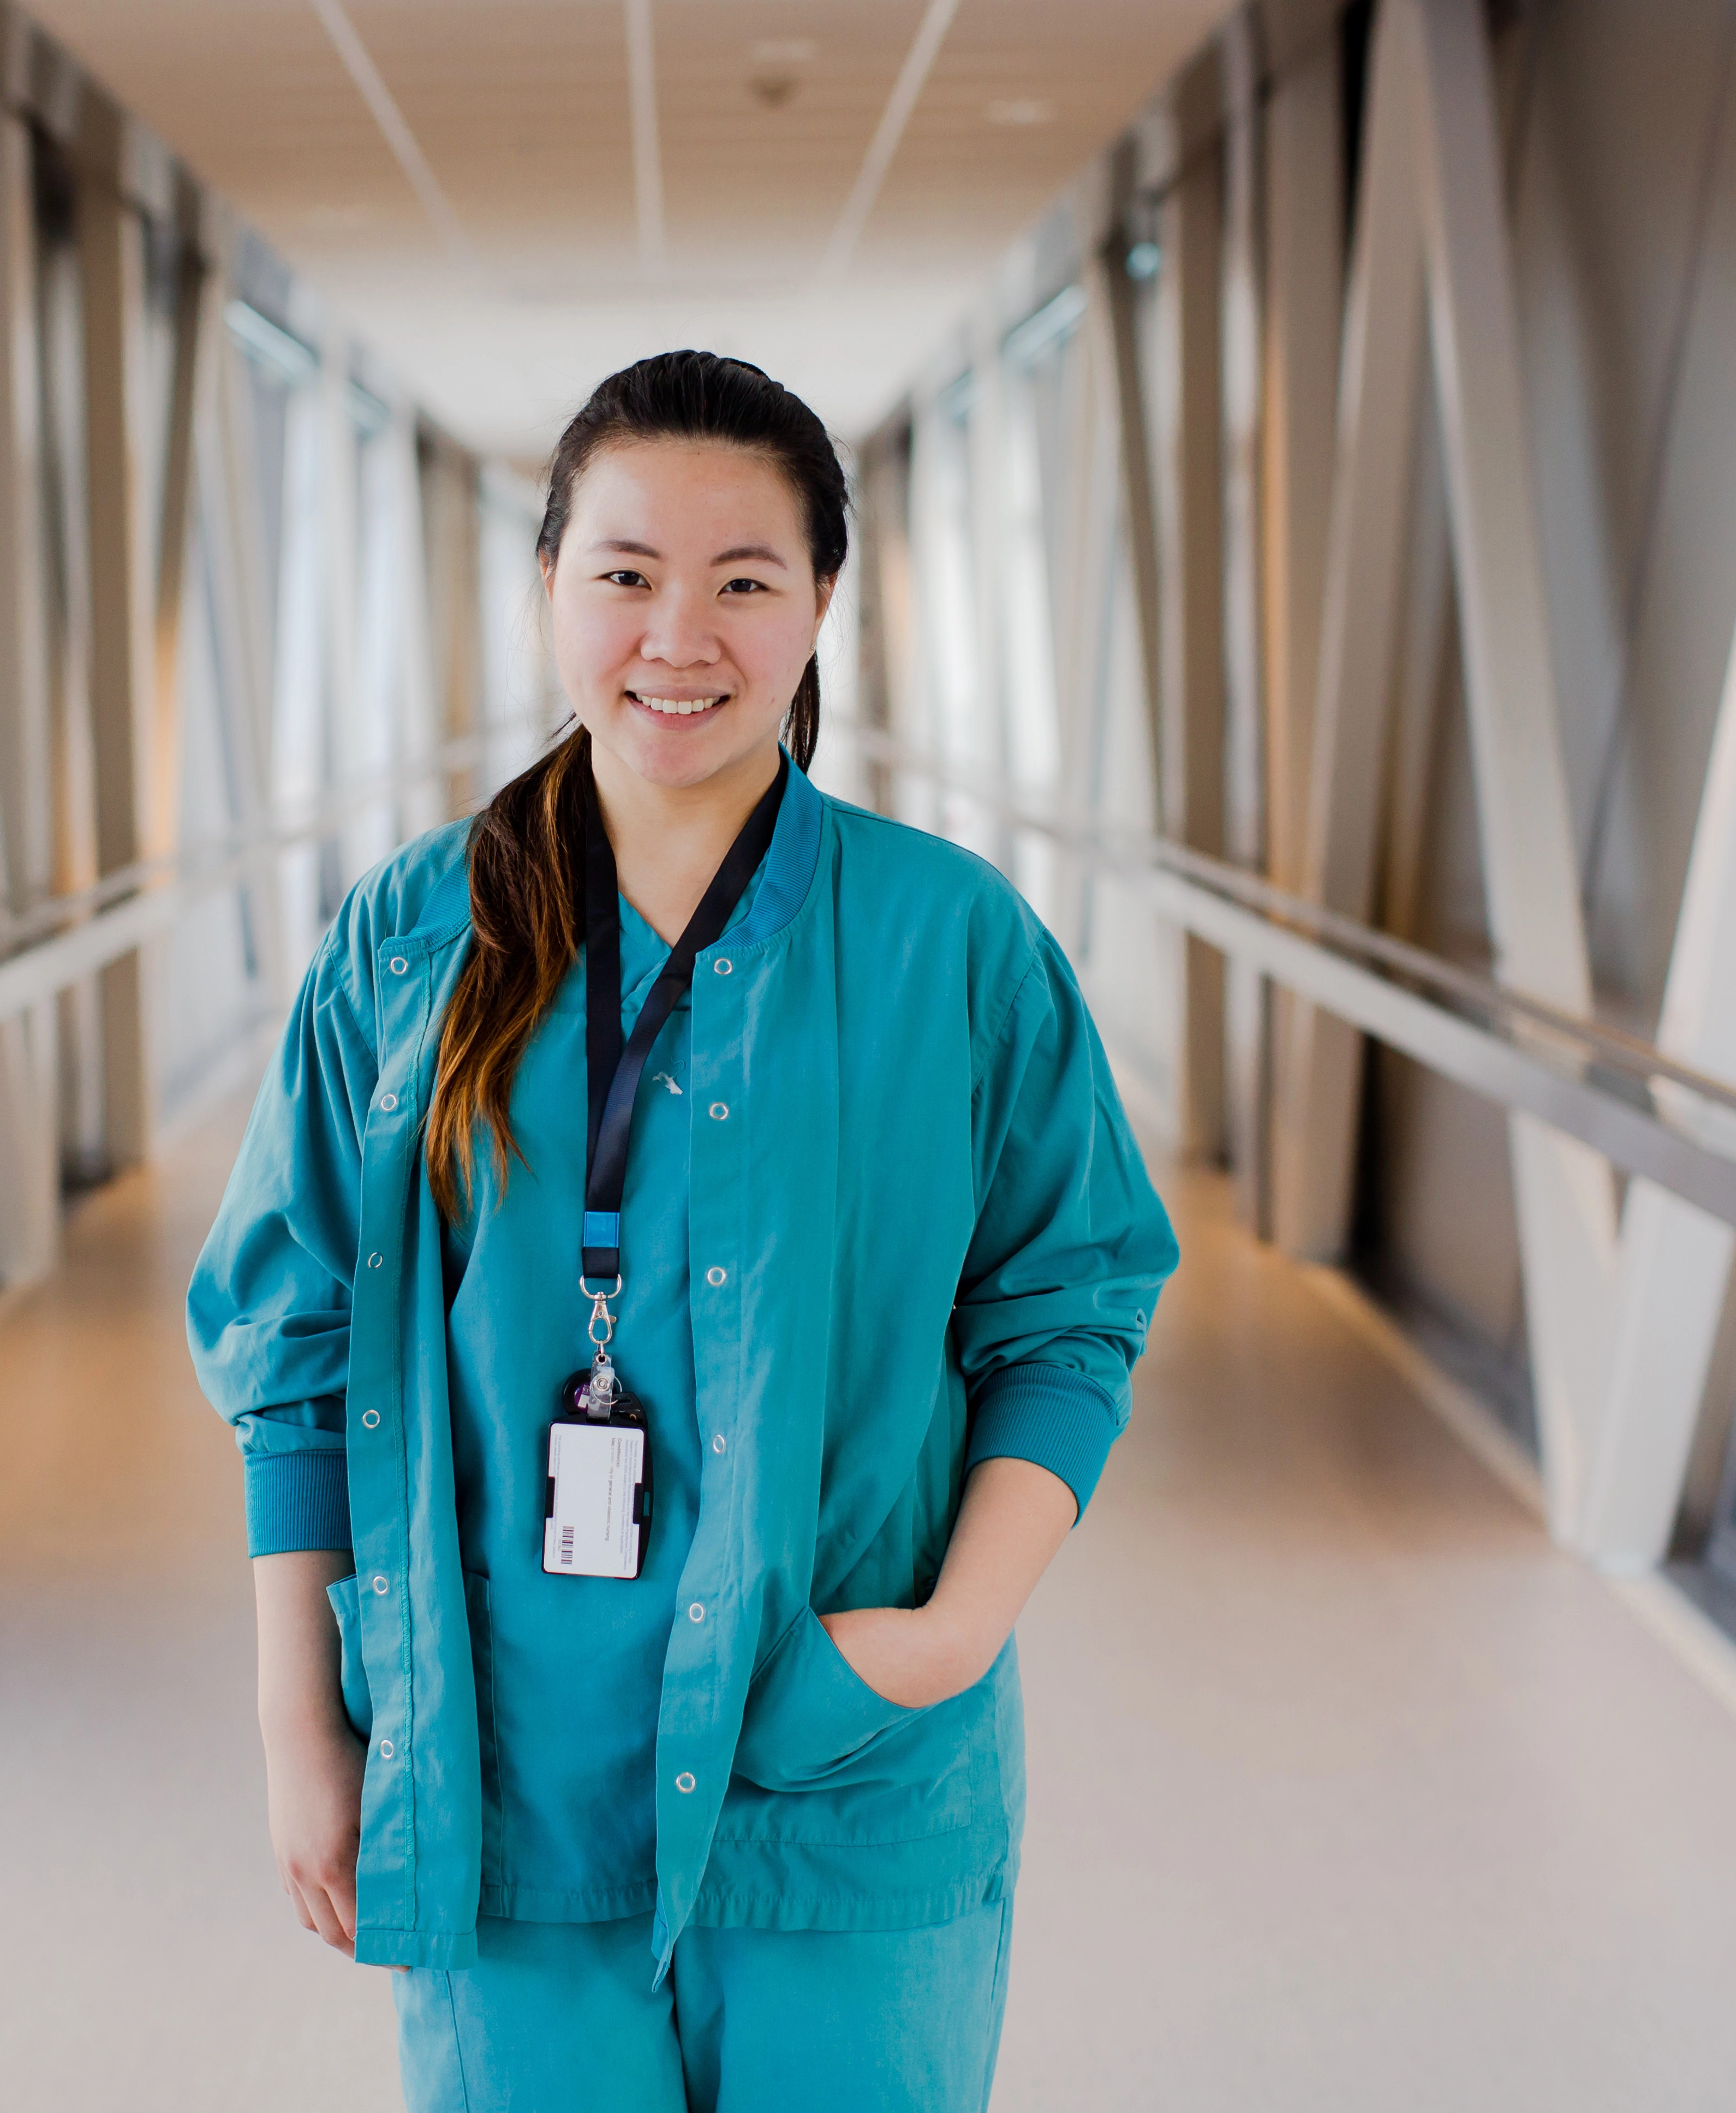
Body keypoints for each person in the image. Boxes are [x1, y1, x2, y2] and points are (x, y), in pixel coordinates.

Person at [187, 349, 1178, 2111]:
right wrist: (300, 1729)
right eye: (627, 575)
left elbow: (1071, 1306)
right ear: (549, 586)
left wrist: (944, 1637)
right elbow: (298, 1343)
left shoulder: (955, 944)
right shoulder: (407, 947)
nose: (679, 637)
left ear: (820, 612)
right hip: (510, 1776)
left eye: (745, 582)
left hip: (844, 1766)